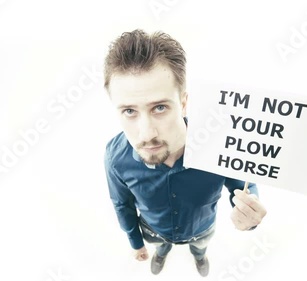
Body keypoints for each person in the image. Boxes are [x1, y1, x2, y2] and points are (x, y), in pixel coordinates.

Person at [103, 29, 267, 277]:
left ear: (183, 102)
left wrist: (249, 210)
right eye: (129, 111)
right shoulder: (116, 159)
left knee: (200, 248)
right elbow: (122, 205)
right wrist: (136, 243)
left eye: (159, 107)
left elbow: (243, 186)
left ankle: (199, 257)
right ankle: (161, 253)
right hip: (154, 232)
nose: (146, 133)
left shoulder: (220, 142)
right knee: (160, 247)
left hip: (202, 229)